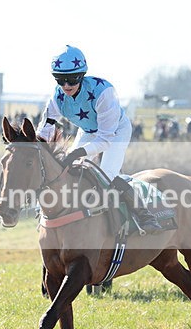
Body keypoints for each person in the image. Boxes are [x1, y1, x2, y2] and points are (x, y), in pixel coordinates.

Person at [35, 45, 161, 233]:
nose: (66, 85)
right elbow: (45, 129)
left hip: (115, 132)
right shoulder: (57, 97)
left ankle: (145, 216)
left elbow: (105, 139)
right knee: (68, 170)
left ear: (81, 75)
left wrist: (78, 152)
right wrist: (33, 146)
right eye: (60, 79)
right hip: (88, 130)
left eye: (72, 79)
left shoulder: (103, 92)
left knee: (106, 176)